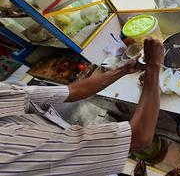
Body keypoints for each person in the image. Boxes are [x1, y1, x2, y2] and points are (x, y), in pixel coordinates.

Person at [0, 38, 164, 175]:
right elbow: (138, 138)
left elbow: (72, 91)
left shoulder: (4, 93)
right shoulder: (7, 146)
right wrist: (154, 66)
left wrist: (123, 70)